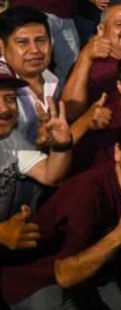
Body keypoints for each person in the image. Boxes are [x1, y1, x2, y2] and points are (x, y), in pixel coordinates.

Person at [1, 118, 121, 310]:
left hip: (92, 269)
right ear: (118, 152)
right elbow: (65, 276)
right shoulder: (88, 192)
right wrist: (118, 237)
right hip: (39, 281)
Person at [0, 60, 72, 226]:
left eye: (10, 98)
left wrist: (61, 146)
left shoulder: (10, 139)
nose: (4, 108)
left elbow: (50, 175)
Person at [62, 4, 121, 120]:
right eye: (120, 24)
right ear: (101, 29)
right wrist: (85, 58)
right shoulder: (88, 65)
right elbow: (70, 112)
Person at [0, 7, 59, 145]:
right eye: (23, 42)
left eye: (40, 40)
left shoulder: (53, 80)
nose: (34, 50)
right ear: (2, 45)